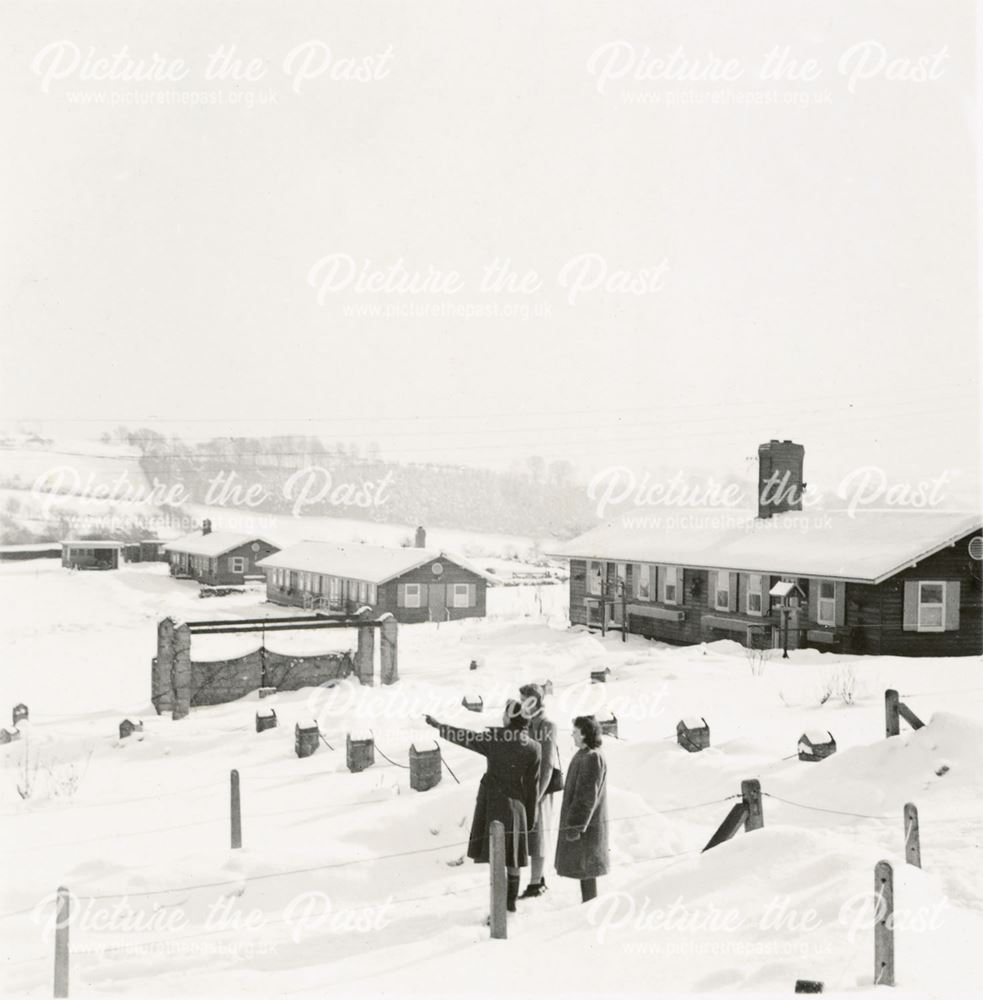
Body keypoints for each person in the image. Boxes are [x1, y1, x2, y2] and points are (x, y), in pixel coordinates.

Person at [425, 700, 541, 912]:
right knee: (513, 858)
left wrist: (439, 726)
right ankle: (509, 904)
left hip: (494, 805)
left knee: (497, 857)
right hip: (518, 809)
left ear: (510, 718)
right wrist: (531, 818)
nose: (502, 717)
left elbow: (466, 738)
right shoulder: (535, 748)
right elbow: (532, 788)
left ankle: (499, 909)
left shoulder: (496, 739)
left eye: (504, 713)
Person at [555, 714, 609, 903]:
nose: (572, 735)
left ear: (586, 734)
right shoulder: (585, 755)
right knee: (585, 871)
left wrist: (575, 827)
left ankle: (590, 909)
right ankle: (588, 906)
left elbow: (585, 797)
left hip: (586, 829)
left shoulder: (591, 758)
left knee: (586, 870)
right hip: (586, 828)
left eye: (576, 732)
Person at [518, 682, 559, 898]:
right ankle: (538, 878)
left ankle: (536, 884)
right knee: (532, 835)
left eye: (524, 700)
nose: (521, 704)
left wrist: (538, 795)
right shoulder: (527, 725)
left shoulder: (546, 726)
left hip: (540, 790)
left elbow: (547, 765)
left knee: (539, 833)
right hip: (527, 788)